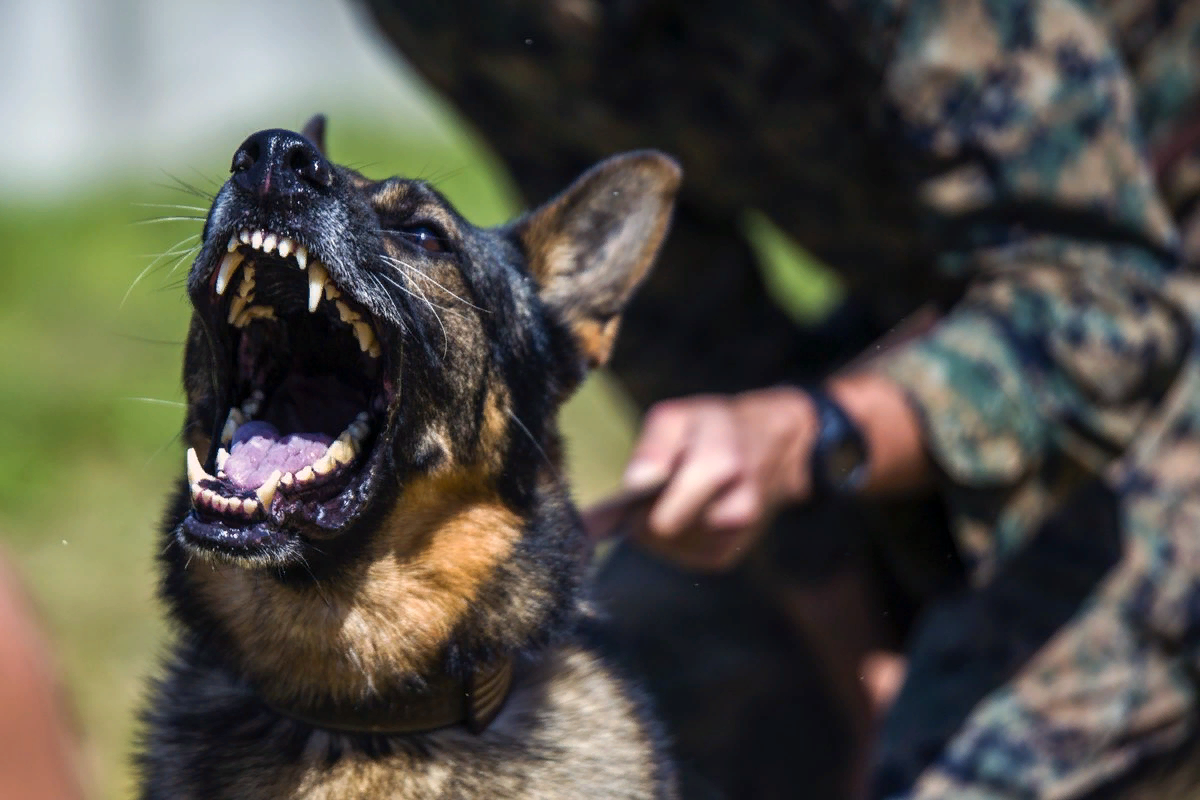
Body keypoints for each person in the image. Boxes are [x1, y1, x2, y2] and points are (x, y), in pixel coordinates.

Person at [363, 1, 1200, 796]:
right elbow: (699, 342)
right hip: (935, 324)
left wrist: (812, 433)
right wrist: (858, 673)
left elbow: (1106, 304)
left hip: (1136, 296)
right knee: (597, 709)